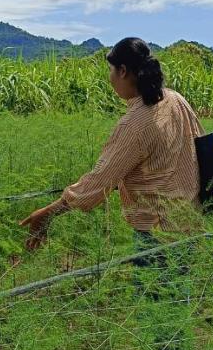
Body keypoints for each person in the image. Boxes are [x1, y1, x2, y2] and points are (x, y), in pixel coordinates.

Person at [20, 37, 202, 252]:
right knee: (188, 283)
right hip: (193, 219)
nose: (110, 77)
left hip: (160, 233)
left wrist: (47, 213)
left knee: (155, 285)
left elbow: (99, 181)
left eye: (111, 70)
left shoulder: (134, 124)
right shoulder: (176, 99)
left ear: (123, 71)